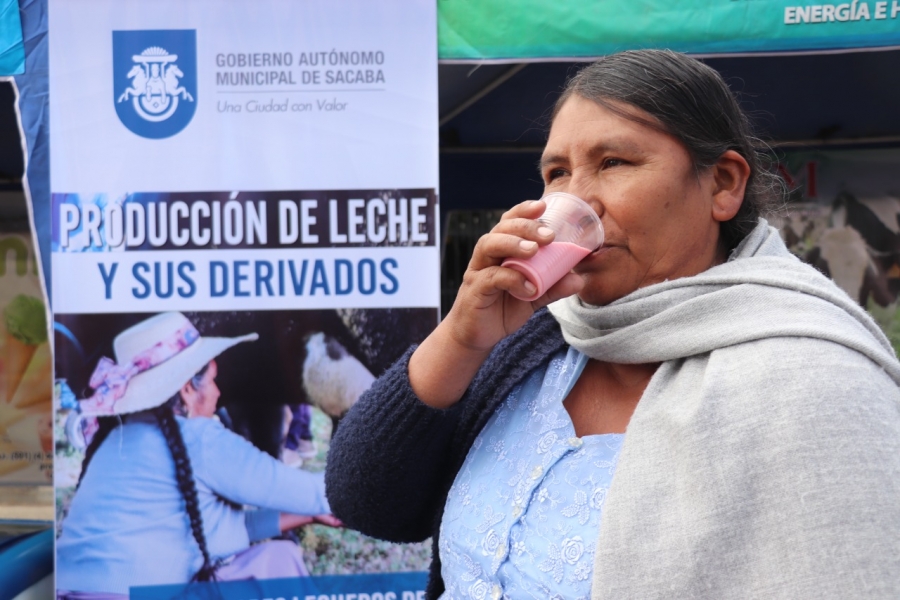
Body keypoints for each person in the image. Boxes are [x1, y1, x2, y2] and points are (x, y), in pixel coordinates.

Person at [325, 49, 900, 599]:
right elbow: (367, 503)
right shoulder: (542, 337)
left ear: (723, 184)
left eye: (614, 163)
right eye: (556, 172)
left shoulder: (816, 380)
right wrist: (459, 339)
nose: (576, 201)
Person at [56, 312, 339, 599]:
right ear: (188, 389)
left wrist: (308, 515)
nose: (217, 391)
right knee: (278, 562)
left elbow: (230, 529)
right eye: (213, 380)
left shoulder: (120, 439)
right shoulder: (199, 440)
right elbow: (316, 493)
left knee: (276, 556)